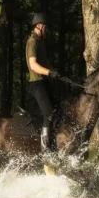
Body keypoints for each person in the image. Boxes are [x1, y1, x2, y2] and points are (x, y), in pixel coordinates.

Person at [26, 12, 60, 152]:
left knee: (58, 110)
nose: (46, 30)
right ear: (39, 26)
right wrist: (49, 72)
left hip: (44, 82)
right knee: (49, 114)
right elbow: (33, 65)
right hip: (36, 83)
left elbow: (45, 64)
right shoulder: (32, 42)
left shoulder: (40, 42)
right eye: (45, 27)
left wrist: (55, 73)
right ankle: (45, 149)